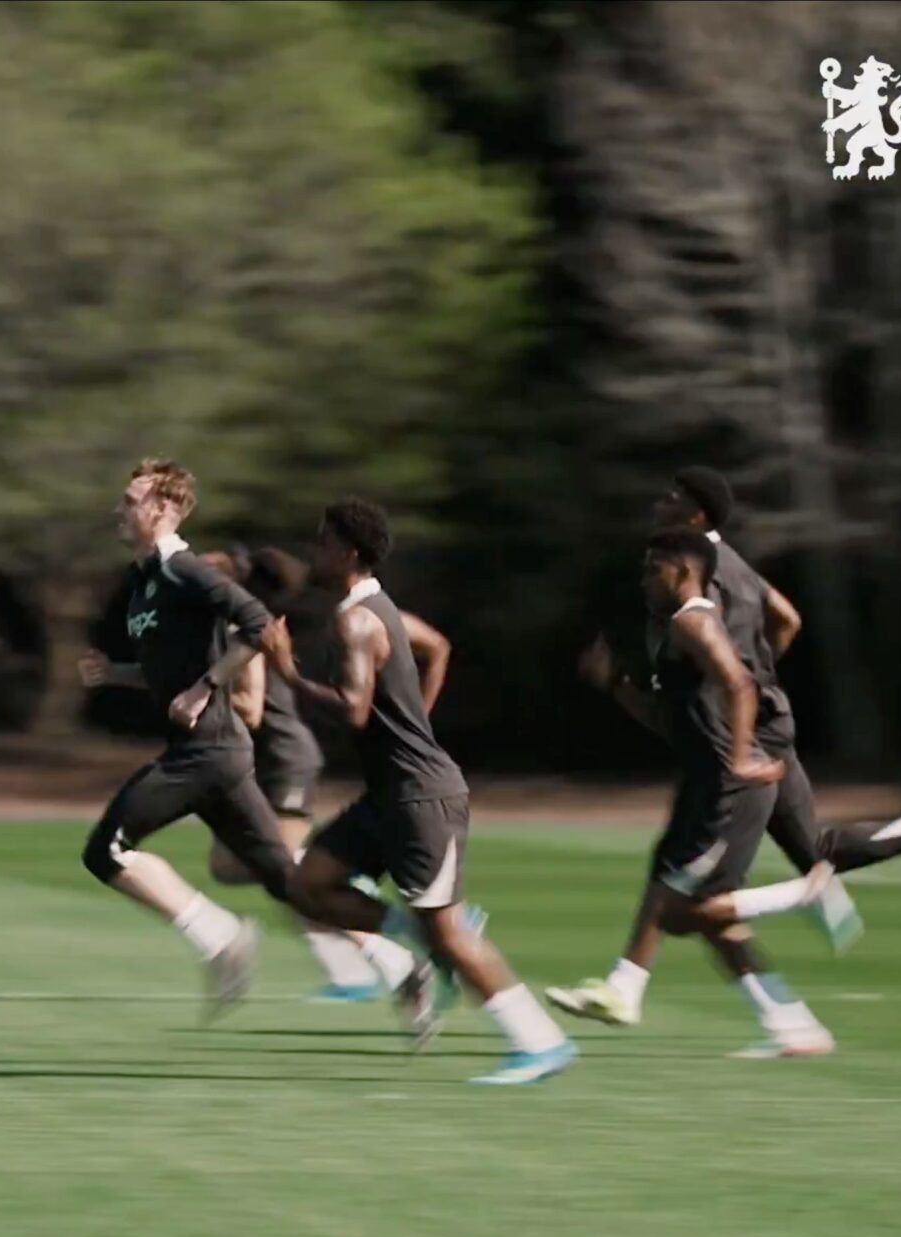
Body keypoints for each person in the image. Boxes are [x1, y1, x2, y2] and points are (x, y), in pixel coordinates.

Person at [552, 468, 901, 1031]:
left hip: (743, 748)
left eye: (673, 497)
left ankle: (635, 984)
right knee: (774, 857)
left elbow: (731, 673)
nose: (661, 502)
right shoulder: (733, 567)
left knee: (693, 892)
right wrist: (750, 680)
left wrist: (741, 719)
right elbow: (786, 620)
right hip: (746, 737)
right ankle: (782, 1020)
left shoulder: (702, 589)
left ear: (696, 523)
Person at [257, 498, 577, 1084]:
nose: (314, 551)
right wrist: (415, 724)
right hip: (389, 794)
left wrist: (286, 671)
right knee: (309, 884)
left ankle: (540, 1042)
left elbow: (353, 712)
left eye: (324, 543)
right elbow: (439, 647)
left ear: (349, 553)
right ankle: (420, 942)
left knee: (450, 934)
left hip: (420, 799)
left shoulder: (357, 620)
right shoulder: (383, 610)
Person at [75, 458, 301, 1021]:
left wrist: (206, 687)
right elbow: (165, 668)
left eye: (130, 501)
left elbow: (257, 623)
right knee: (286, 879)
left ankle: (220, 937)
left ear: (163, 510)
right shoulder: (146, 581)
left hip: (207, 751)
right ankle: (401, 957)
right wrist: (118, 674)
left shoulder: (184, 570)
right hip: (213, 754)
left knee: (107, 850)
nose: (119, 510)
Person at [200, 545, 421, 1003]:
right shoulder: (214, 628)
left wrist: (195, 696)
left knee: (289, 876)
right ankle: (355, 964)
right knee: (229, 865)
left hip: (284, 759)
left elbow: (251, 707)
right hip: (262, 764)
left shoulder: (241, 626)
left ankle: (391, 950)